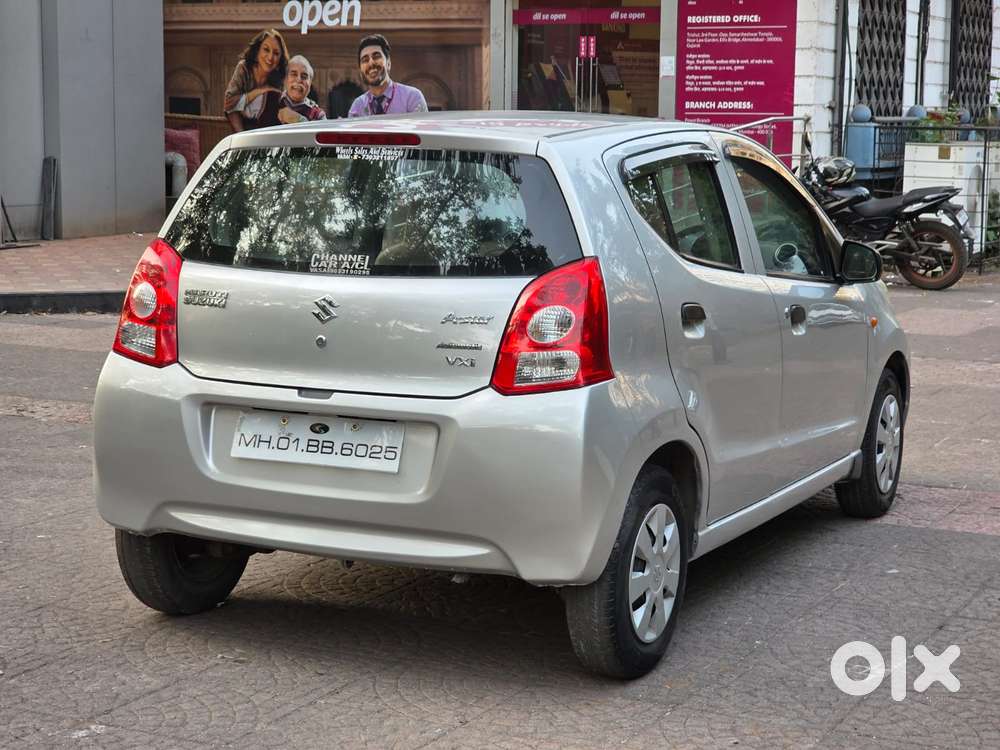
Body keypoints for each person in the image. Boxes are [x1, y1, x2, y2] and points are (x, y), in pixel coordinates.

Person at [223, 29, 289, 132]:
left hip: (266, 129)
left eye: (276, 53)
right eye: (266, 50)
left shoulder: (280, 78)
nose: (270, 57)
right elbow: (229, 103)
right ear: (257, 50)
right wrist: (259, 91)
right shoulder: (244, 67)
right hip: (241, 126)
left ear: (280, 59)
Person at [348, 35, 428, 117]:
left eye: (376, 56)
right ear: (360, 70)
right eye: (365, 60)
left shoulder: (412, 97)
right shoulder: (357, 106)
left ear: (388, 63)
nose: (371, 63)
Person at [278, 55, 327, 124]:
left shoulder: (318, 115)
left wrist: (299, 120)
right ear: (285, 80)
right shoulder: (271, 103)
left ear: (310, 83)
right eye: (294, 74)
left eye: (304, 76)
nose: (299, 80)